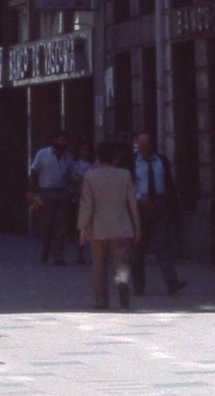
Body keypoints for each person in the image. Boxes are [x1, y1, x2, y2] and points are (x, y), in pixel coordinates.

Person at [77, 141, 140, 310]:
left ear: (97, 157)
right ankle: (122, 283)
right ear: (114, 158)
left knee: (98, 265)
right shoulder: (125, 175)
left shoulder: (90, 176)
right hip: (122, 226)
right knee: (121, 262)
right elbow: (132, 203)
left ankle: (101, 300)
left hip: (98, 229)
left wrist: (82, 227)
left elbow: (87, 204)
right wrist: (137, 226)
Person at [129, 133, 187, 298]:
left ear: (152, 146)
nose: (141, 149)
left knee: (164, 245)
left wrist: (172, 205)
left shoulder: (162, 160)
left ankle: (171, 283)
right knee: (138, 247)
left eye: (145, 145)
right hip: (141, 207)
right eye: (139, 146)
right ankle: (139, 286)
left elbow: (169, 182)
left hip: (161, 205)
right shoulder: (132, 162)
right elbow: (128, 186)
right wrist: (139, 198)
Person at [28, 130, 76, 266]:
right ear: (55, 140)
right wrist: (31, 191)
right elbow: (33, 172)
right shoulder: (43, 154)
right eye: (62, 140)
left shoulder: (68, 157)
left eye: (65, 140)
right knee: (47, 224)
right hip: (46, 192)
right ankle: (46, 248)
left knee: (60, 225)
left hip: (63, 193)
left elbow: (72, 174)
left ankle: (58, 256)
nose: (64, 143)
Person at [70, 143, 95, 265]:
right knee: (80, 227)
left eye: (87, 149)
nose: (85, 151)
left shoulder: (94, 165)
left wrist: (81, 179)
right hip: (79, 198)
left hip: (91, 198)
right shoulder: (75, 164)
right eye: (83, 149)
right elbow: (72, 178)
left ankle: (93, 254)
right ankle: (80, 254)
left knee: (92, 227)